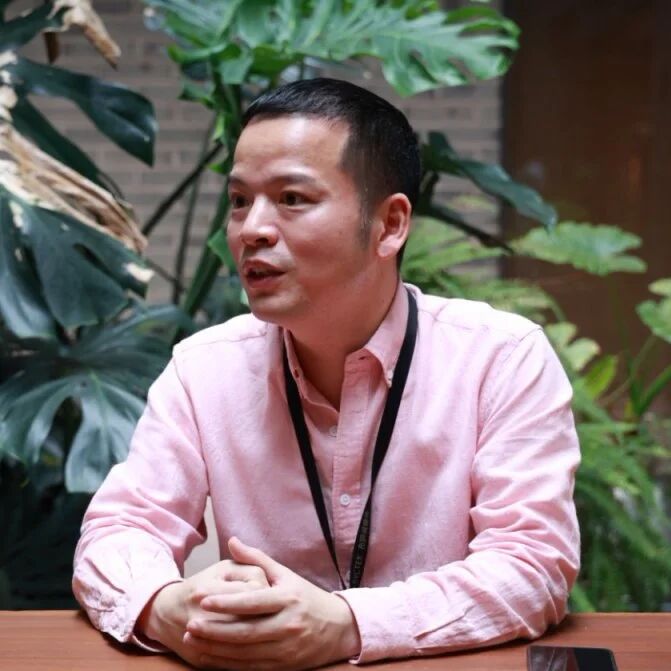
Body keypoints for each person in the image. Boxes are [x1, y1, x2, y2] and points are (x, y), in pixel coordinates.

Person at [72, 78, 580, 670]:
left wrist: (345, 625)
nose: (252, 229)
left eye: (292, 198)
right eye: (239, 200)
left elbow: (532, 566)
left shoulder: (500, 358)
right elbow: (120, 528)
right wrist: (166, 606)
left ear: (389, 224)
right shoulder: (204, 368)